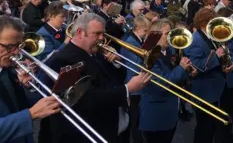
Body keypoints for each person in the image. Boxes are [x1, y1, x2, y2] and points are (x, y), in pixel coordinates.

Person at [39, 13, 151, 143]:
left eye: (103, 33)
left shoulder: (93, 52)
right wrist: (127, 89)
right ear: (80, 32)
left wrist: (116, 62)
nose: (102, 38)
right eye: (97, 33)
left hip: (111, 128)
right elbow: (84, 99)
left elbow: (112, 80)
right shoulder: (63, 59)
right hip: (87, 134)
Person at [0, 16, 61, 143]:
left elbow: (25, 104)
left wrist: (28, 86)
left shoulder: (8, 70)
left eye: (19, 45)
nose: (17, 52)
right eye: (10, 46)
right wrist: (30, 115)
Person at [183, 8, 233, 143]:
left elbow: (227, 52)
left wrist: (232, 64)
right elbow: (195, 66)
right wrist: (216, 57)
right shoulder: (195, 40)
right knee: (204, 127)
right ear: (204, 24)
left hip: (218, 85)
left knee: (213, 126)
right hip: (204, 90)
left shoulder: (213, 36)